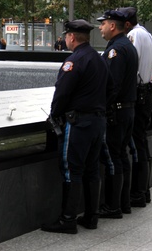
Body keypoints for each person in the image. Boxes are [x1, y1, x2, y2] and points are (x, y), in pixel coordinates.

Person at [41, 20, 110, 234]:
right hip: (98, 122)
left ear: (71, 37)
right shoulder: (100, 60)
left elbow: (62, 92)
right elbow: (110, 88)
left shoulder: (74, 61)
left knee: (71, 169)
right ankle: (91, 217)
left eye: (66, 36)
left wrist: (54, 115)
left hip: (78, 124)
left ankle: (68, 219)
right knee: (92, 169)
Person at [97, 10, 138, 219]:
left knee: (113, 158)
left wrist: (101, 107)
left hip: (117, 111)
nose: (100, 27)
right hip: (127, 109)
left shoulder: (116, 50)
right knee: (122, 156)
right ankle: (123, 203)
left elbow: (112, 85)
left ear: (113, 26)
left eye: (103, 23)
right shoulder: (127, 46)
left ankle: (112, 206)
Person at [118, 7, 152, 208]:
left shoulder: (133, 35)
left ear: (126, 24)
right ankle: (144, 190)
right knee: (142, 141)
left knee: (137, 143)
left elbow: (131, 65)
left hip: (138, 95)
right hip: (147, 92)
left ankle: (138, 193)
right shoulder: (148, 35)